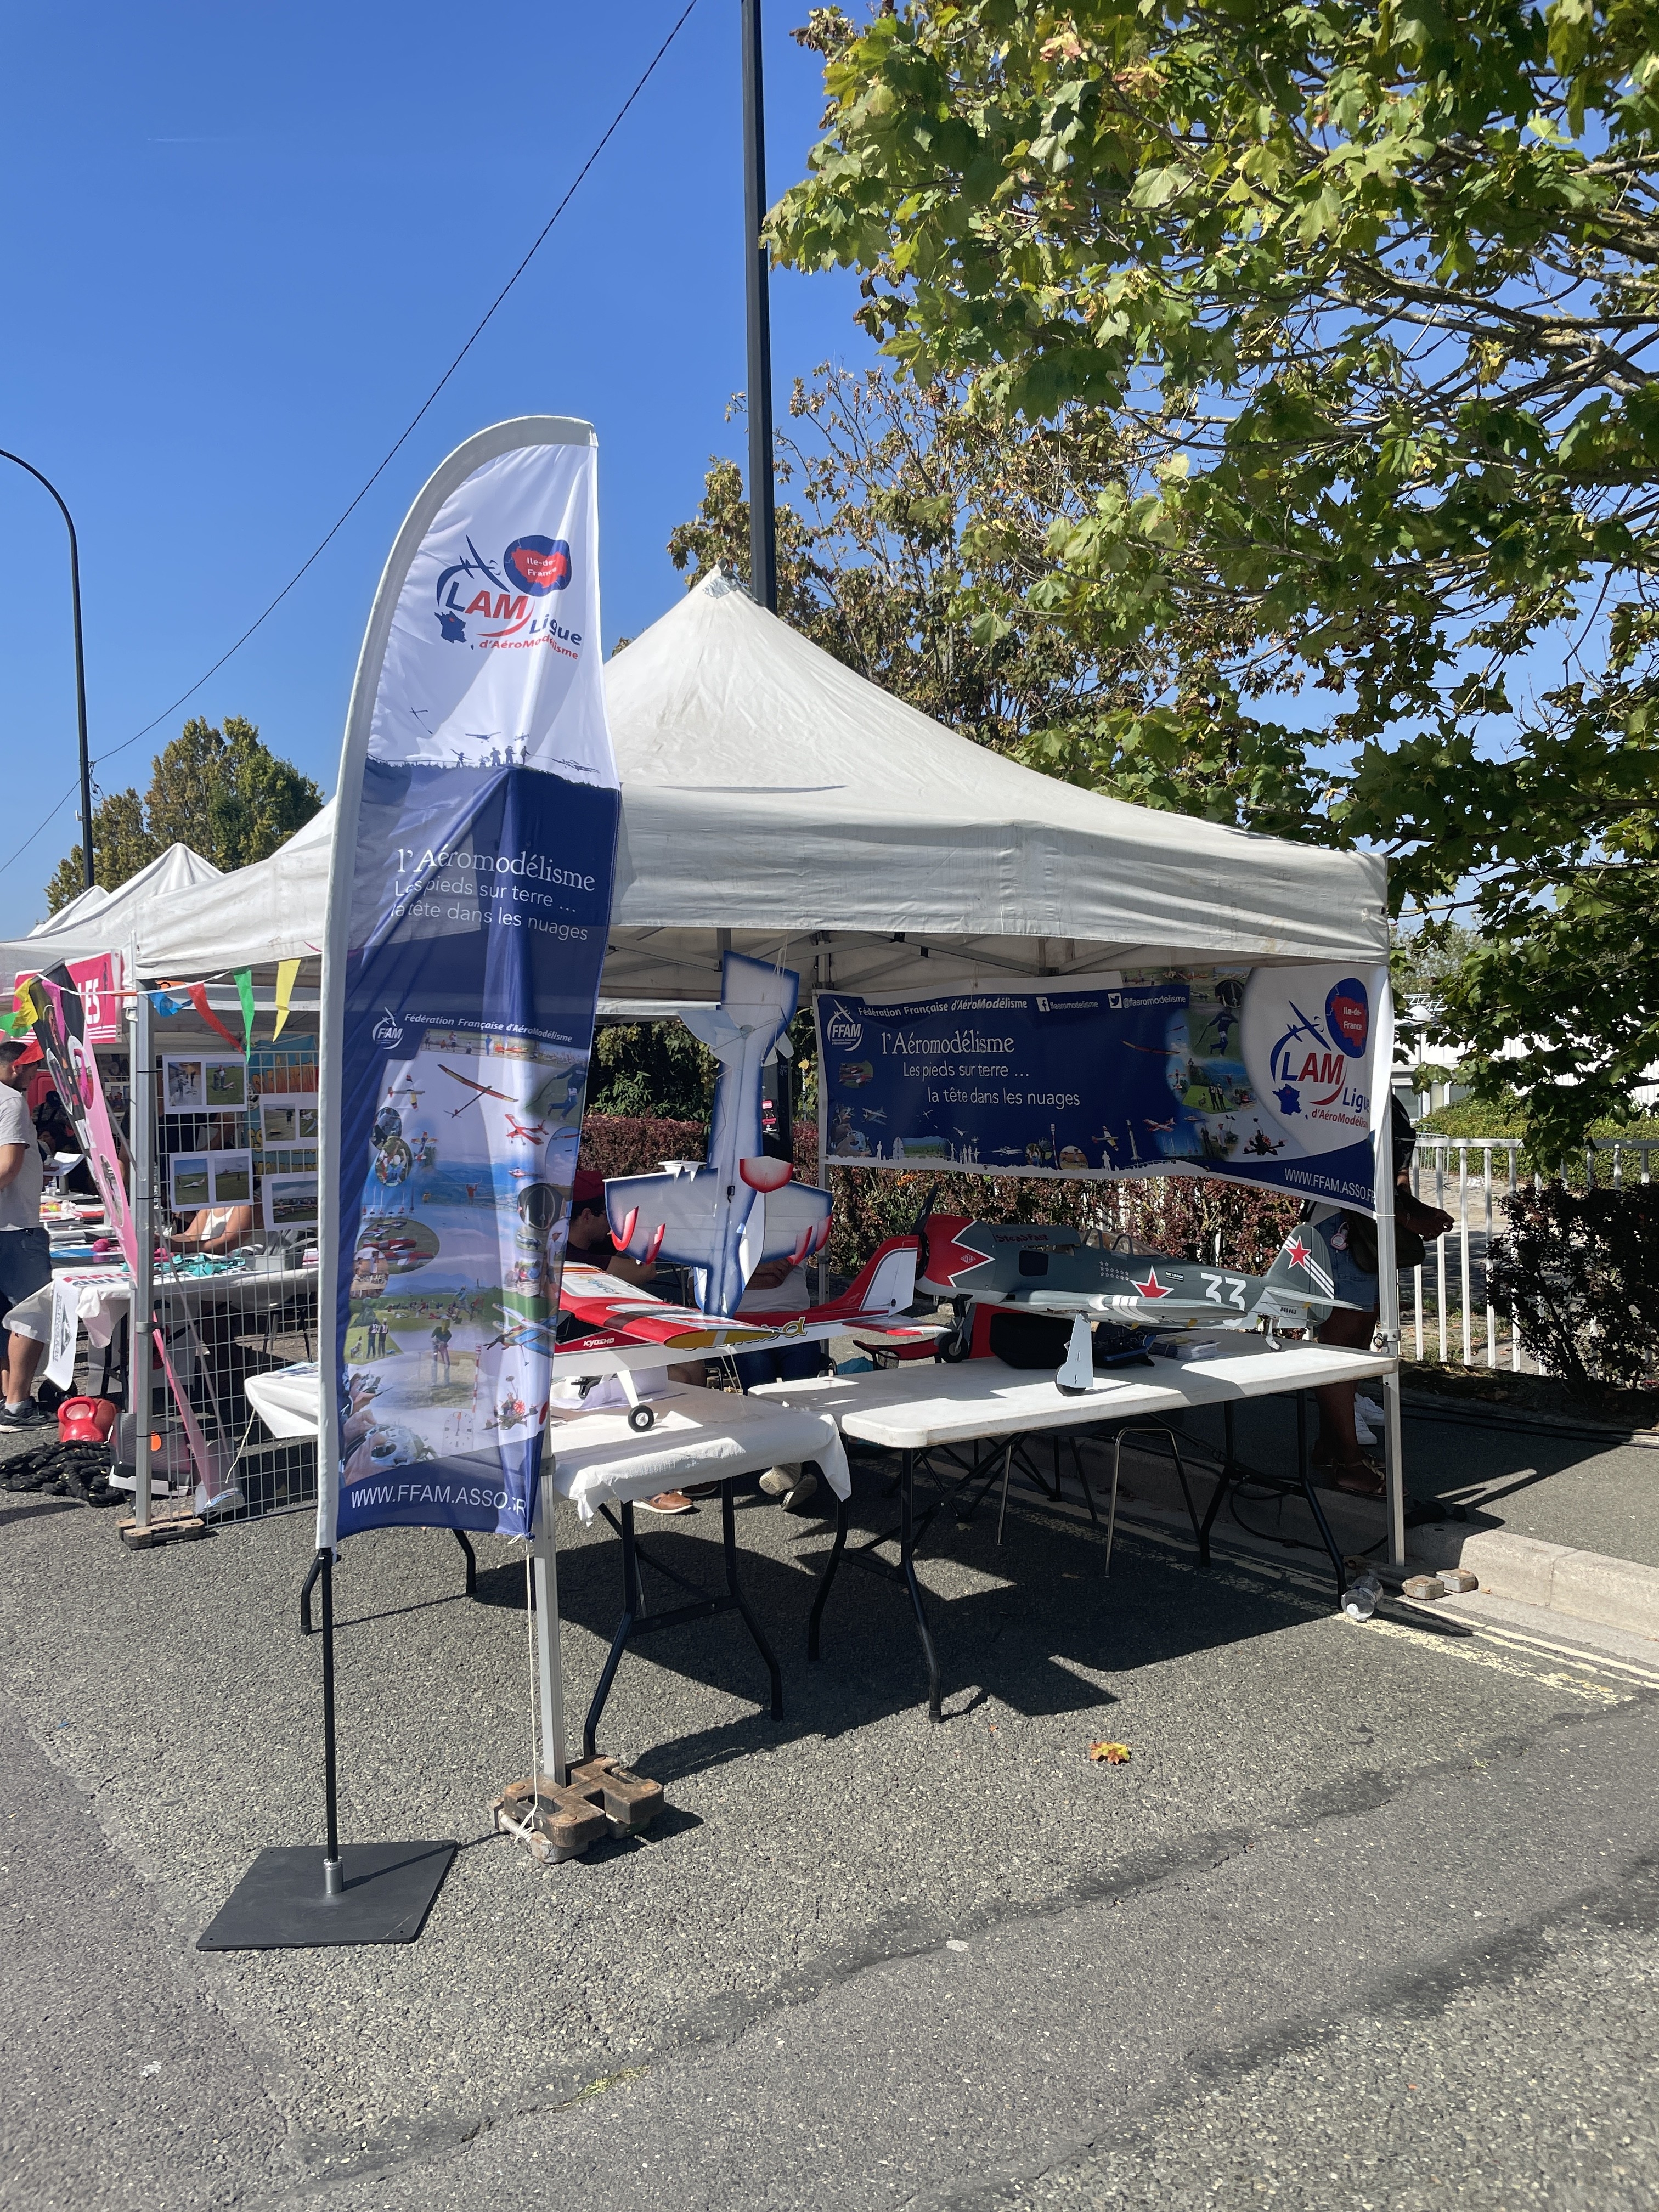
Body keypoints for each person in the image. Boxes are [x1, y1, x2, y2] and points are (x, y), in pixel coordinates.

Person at [1310, 1096, 1452, 1497]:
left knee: (1352, 1346)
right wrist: (1409, 1217)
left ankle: (1331, 1448)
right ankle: (1349, 1466)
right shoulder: (1348, 1085)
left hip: (1364, 1230)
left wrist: (1411, 1208)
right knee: (1340, 1349)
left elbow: (1394, 1172)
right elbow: (1342, 1170)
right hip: (1343, 1228)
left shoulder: (1380, 1091)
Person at [563, 1170, 703, 1514]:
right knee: (682, 1379)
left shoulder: (583, 1244)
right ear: (586, 1216)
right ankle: (648, 1481)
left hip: (604, 1351)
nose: (612, 1225)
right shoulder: (573, 1254)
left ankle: (691, 1462)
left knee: (693, 1363)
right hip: (577, 1369)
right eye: (606, 1216)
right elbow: (645, 1272)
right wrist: (640, 1240)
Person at [0, 1037, 50, 1428]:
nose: (35, 1077)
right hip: (17, 1226)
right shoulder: (12, 1101)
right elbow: (9, 1167)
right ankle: (17, 1405)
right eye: (34, 1069)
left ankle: (9, 1399)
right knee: (30, 1316)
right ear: (19, 1066)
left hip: (13, 1224)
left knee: (5, 1315)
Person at [170, 1203, 255, 1257]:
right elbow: (190, 1237)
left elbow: (225, 1245)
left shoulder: (248, 1204)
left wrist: (172, 1245)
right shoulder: (211, 1205)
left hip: (238, 1270)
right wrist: (162, 1241)